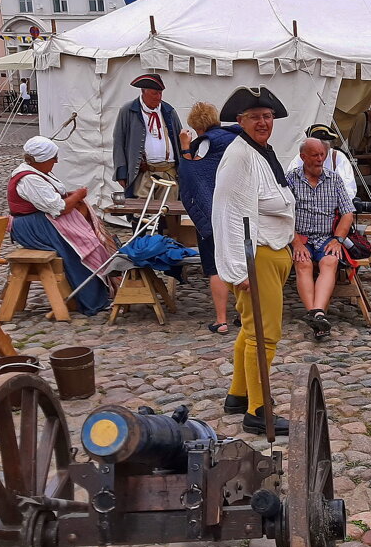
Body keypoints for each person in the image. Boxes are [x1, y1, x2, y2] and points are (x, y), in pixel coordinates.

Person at [211, 86, 296, 435]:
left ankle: (238, 394)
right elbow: (228, 213)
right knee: (264, 335)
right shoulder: (240, 156)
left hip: (271, 251)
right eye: (255, 117)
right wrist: (237, 268)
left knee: (250, 330)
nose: (263, 122)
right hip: (256, 255)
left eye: (267, 116)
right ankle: (258, 411)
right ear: (241, 120)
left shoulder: (260, 151)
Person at [6, 136, 114, 316]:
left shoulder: (38, 173)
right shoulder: (29, 179)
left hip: (41, 221)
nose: (56, 161)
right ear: (41, 160)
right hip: (31, 226)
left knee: (88, 240)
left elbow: (53, 199)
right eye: (53, 158)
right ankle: (92, 301)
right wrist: (78, 195)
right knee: (78, 249)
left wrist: (71, 196)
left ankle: (98, 291)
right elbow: (59, 208)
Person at [177, 101, 239, 334]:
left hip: (215, 211)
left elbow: (192, 174)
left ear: (196, 125)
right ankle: (244, 315)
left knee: (216, 267)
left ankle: (221, 320)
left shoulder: (205, 143)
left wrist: (185, 147)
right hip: (237, 210)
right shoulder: (236, 138)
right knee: (239, 263)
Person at [286, 138, 356, 341]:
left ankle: (316, 314)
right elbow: (284, 215)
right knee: (303, 263)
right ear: (303, 157)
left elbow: (347, 214)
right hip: (301, 236)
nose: (319, 160)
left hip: (326, 237)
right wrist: (296, 242)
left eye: (322, 155)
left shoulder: (334, 179)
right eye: (314, 155)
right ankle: (317, 314)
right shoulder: (290, 179)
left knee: (330, 261)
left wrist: (338, 239)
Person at [113, 73, 183, 199]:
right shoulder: (128, 110)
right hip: (143, 174)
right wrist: (121, 173)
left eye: (160, 93)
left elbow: (180, 140)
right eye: (155, 93)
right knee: (142, 214)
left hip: (168, 172)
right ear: (143, 91)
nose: (159, 97)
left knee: (169, 214)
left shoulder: (169, 111)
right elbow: (119, 142)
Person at [285, 124, 357, 201]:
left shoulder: (337, 157)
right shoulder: (301, 158)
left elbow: (348, 188)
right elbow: (291, 185)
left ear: (328, 147)